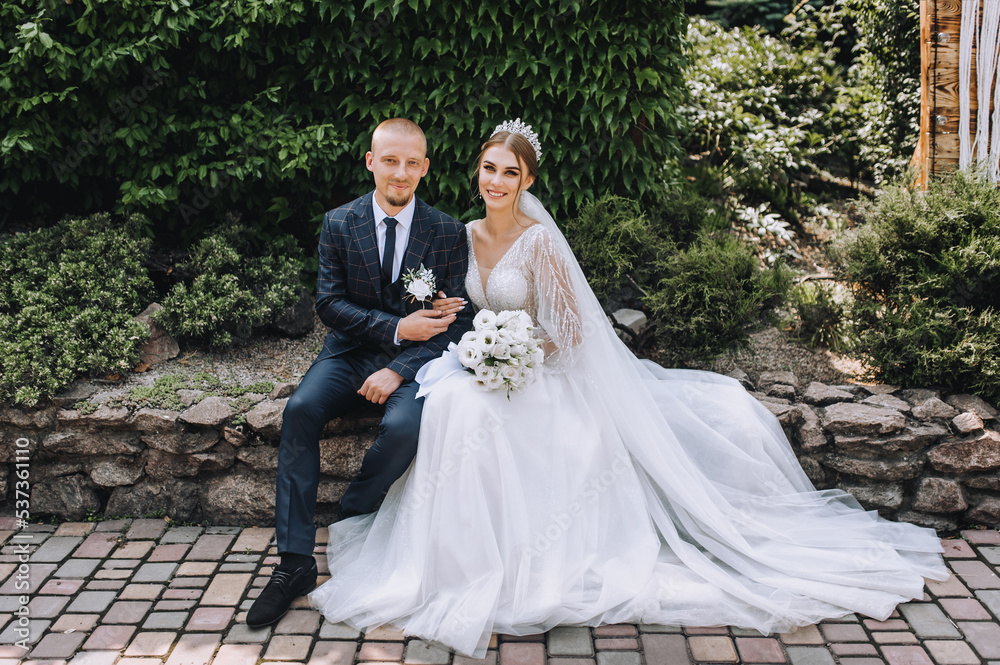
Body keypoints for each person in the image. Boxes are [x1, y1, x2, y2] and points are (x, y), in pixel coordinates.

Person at [308, 119, 948, 657]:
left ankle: (518, 563)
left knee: (478, 414)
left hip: (538, 369)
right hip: (479, 363)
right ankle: (454, 560)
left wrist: (515, 357)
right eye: (488, 168)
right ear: (475, 171)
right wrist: (472, 351)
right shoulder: (460, 236)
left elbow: (569, 331)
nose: (495, 182)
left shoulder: (541, 244)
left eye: (509, 173)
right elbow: (454, 310)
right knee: (447, 402)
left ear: (527, 182)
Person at [246, 118, 474, 628]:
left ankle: (353, 516)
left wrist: (398, 368)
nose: (400, 172)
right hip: (348, 352)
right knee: (301, 410)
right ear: (371, 161)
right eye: (390, 160)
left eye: (412, 163)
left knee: (403, 429)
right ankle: (295, 564)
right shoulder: (338, 223)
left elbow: (453, 320)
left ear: (425, 169)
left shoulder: (447, 231)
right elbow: (329, 303)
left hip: (415, 366)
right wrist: (396, 328)